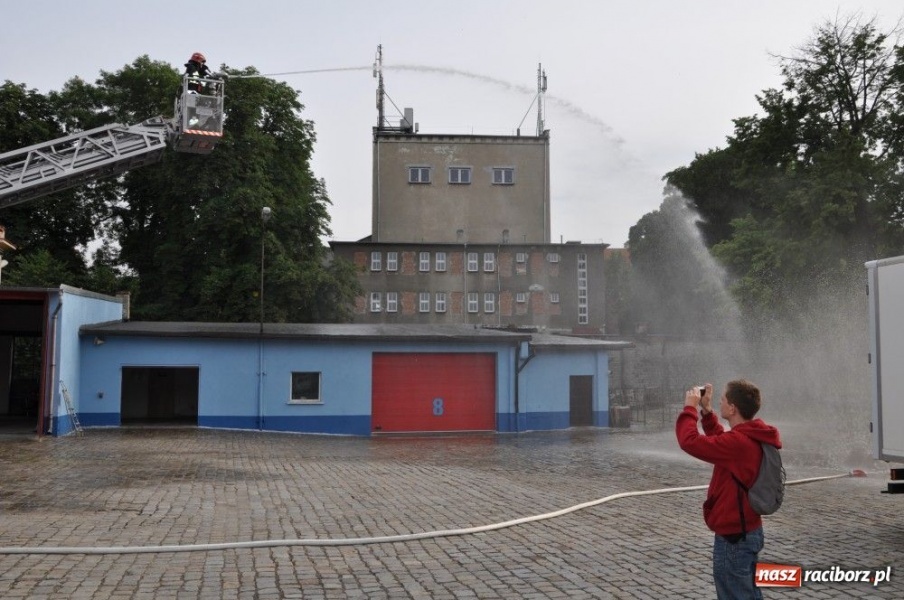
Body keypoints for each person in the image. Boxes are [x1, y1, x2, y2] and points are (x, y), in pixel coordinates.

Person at [676, 379, 782, 600]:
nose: (720, 402)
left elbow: (689, 441)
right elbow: (721, 442)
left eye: (722, 399)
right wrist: (706, 411)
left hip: (734, 539)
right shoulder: (750, 435)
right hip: (748, 532)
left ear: (732, 408)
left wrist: (690, 408)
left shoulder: (739, 443)